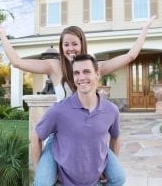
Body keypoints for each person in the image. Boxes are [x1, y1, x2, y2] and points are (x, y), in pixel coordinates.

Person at [0, 16, 156, 184]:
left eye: (74, 44)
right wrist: (3, 35)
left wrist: (144, 30)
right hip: (62, 137)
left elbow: (130, 56)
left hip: (90, 137)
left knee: (118, 177)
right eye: (66, 44)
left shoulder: (93, 67)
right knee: (42, 182)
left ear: (82, 44)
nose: (70, 49)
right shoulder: (54, 66)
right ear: (61, 47)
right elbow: (17, 62)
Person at [33, 54, 124, 186]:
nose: (81, 77)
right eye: (76, 73)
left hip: (94, 174)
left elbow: (116, 137)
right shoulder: (59, 110)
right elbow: (37, 135)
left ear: (97, 74)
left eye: (86, 72)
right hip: (65, 172)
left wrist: (107, 166)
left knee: (119, 178)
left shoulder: (111, 110)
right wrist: (39, 168)